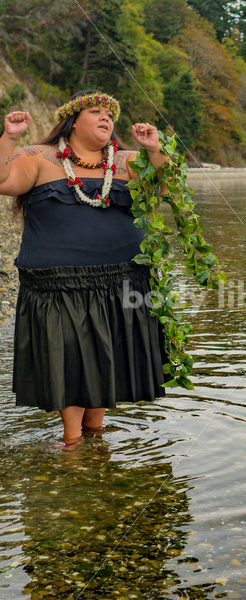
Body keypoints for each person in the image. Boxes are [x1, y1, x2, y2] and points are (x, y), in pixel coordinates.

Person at [0, 89, 170, 450]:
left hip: (122, 282)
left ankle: (95, 435)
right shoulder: (39, 157)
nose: (106, 117)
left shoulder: (128, 162)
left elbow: (168, 189)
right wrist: (9, 137)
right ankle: (72, 443)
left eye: (111, 114)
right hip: (58, 285)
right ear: (73, 119)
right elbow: (2, 181)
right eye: (96, 111)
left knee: (106, 356)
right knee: (72, 358)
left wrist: (155, 149)